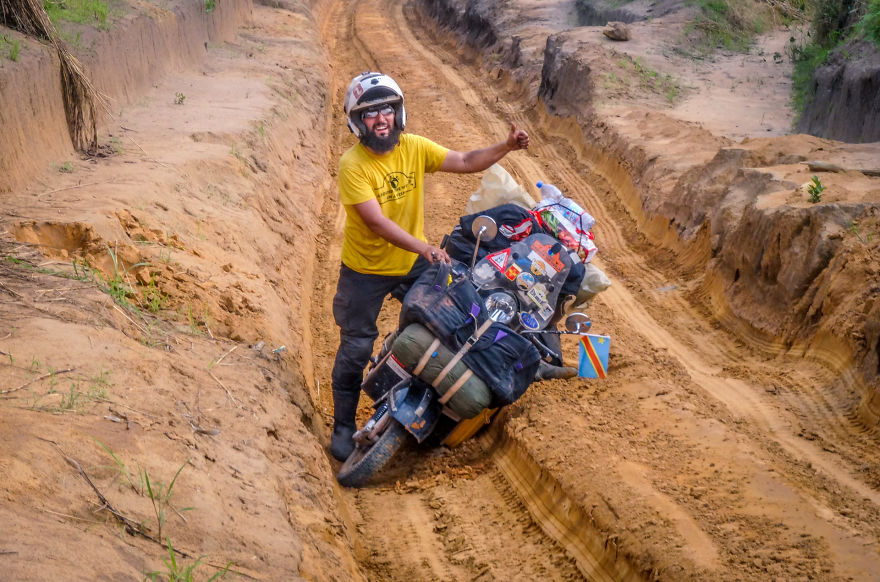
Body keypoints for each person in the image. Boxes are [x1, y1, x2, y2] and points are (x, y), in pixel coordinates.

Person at [329, 71, 530, 461]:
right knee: (355, 346)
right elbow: (376, 222)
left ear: (399, 112)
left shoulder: (414, 147)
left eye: (388, 109)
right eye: (370, 113)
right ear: (357, 122)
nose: (381, 118)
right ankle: (342, 425)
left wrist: (506, 146)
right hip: (365, 272)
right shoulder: (352, 165)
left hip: (412, 265)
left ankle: (441, 400)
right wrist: (424, 248)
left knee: (459, 317)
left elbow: (466, 160)